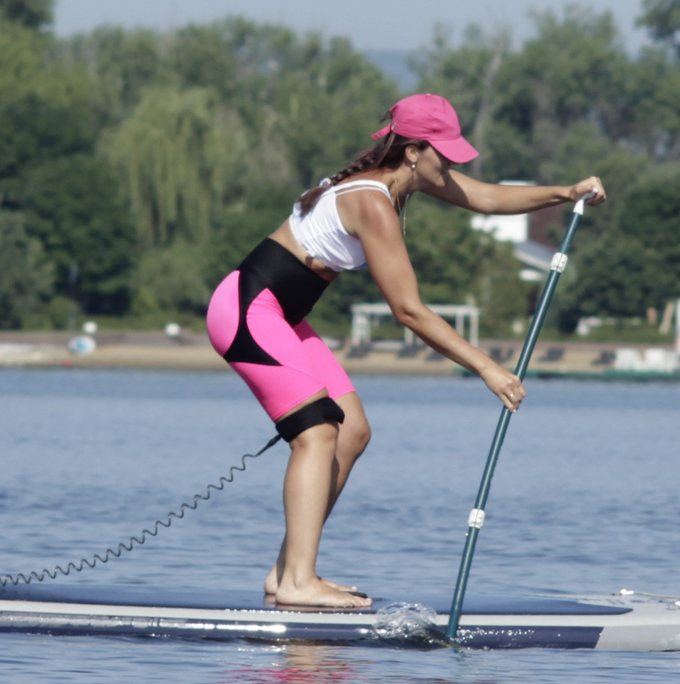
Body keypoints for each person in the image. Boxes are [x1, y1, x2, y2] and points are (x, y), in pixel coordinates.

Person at [204, 92, 605, 610]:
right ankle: (300, 580)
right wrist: (488, 369)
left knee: (352, 432)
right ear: (414, 151)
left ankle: (287, 573)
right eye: (446, 153)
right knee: (319, 432)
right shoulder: (371, 200)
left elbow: (485, 197)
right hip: (247, 310)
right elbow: (409, 311)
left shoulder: (399, 181)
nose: (453, 164)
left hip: (282, 315)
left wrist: (565, 191)